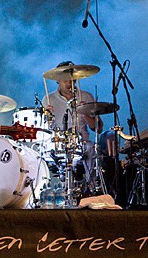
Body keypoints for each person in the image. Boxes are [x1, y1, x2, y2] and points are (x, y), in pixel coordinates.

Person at [41, 61, 103, 193]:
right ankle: (52, 190)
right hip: (58, 143)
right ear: (57, 80)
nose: (70, 84)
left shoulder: (86, 96)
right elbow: (44, 130)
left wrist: (84, 111)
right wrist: (46, 116)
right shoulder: (48, 99)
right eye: (66, 81)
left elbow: (98, 128)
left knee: (91, 148)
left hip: (81, 141)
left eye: (73, 81)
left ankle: (90, 187)